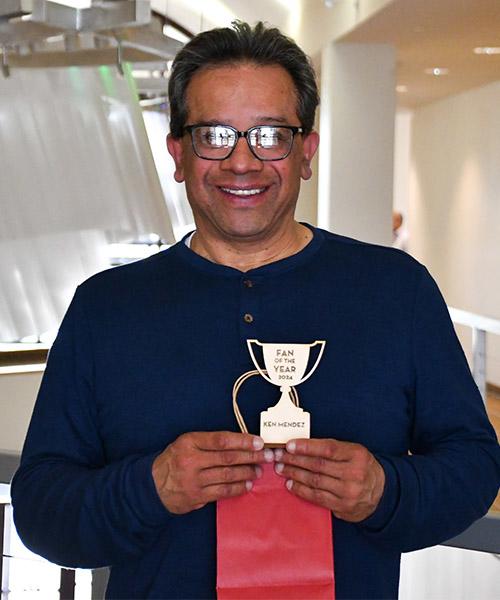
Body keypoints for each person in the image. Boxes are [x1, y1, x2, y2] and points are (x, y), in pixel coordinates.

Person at [11, 21, 500, 600]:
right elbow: (41, 511)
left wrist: (385, 490)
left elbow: (473, 467)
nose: (241, 161)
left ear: (307, 151)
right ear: (177, 153)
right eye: (214, 134)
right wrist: (151, 487)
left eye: (270, 134)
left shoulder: (397, 291)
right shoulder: (106, 307)